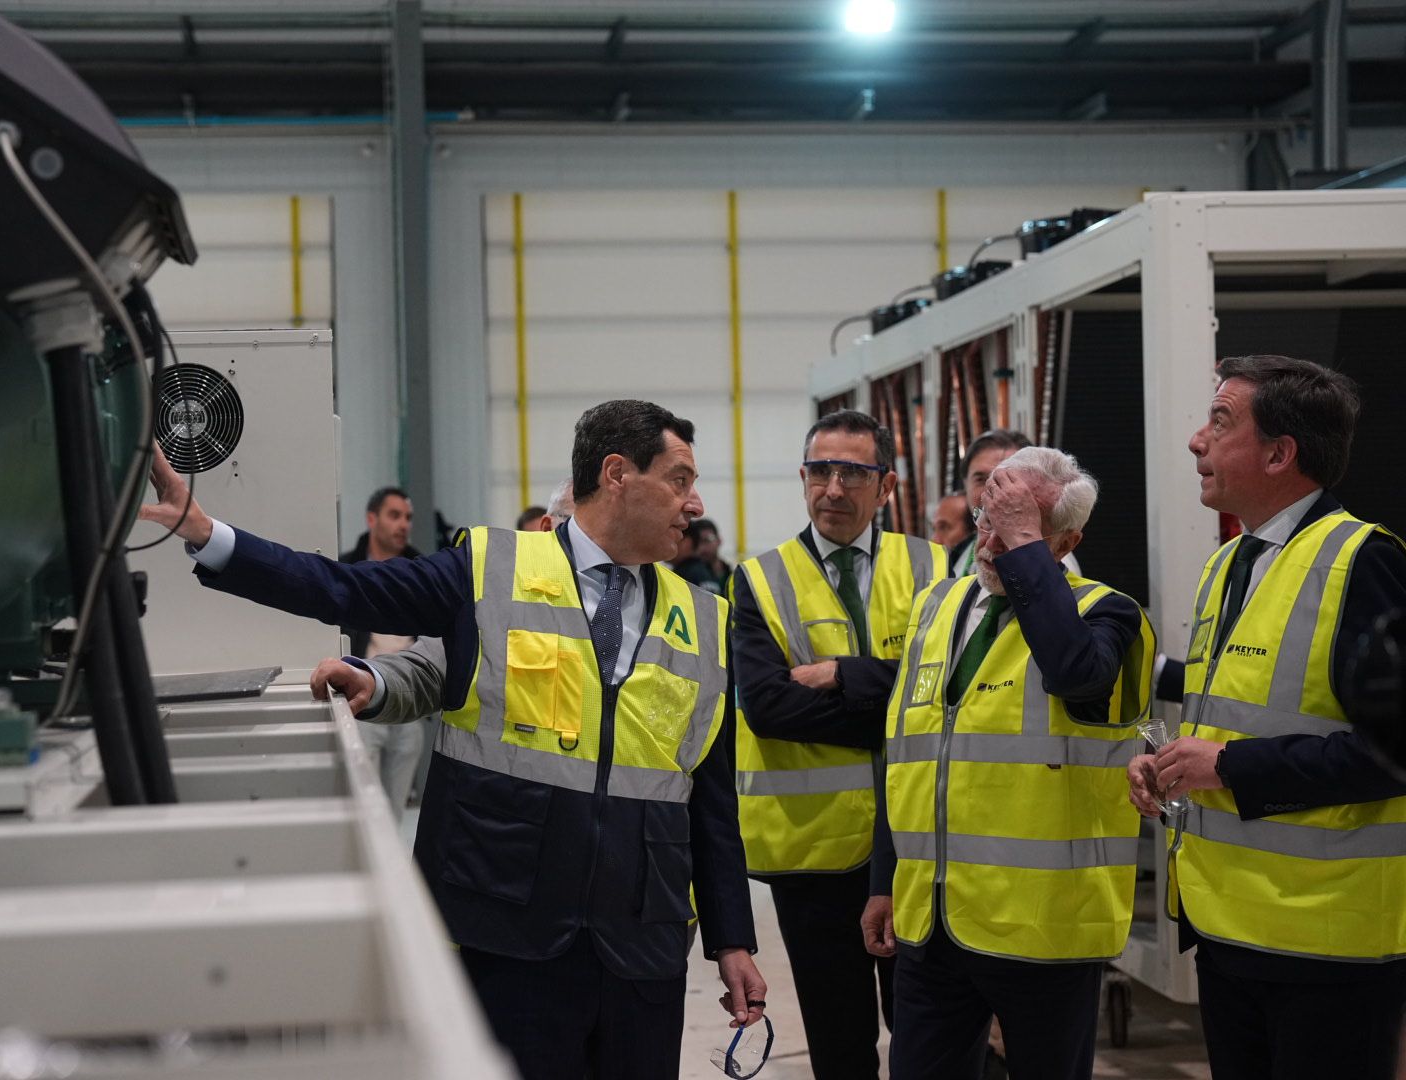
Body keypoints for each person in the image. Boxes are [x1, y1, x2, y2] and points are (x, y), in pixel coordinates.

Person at [140, 399, 766, 1080]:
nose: (695, 503)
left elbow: (708, 797)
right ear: (617, 473)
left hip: (643, 944)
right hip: (508, 933)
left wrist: (732, 939)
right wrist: (207, 533)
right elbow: (340, 588)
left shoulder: (705, 618)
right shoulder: (488, 569)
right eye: (679, 480)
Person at [1128, 354, 1406, 1080]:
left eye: (1221, 422)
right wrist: (1170, 762)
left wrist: (1227, 767)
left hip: (1328, 947)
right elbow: (1237, 714)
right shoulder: (1231, 564)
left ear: (1281, 454)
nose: (1197, 440)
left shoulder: (1362, 563)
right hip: (1229, 931)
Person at [866, 446, 1154, 1080]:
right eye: (989, 518)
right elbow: (908, 755)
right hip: (931, 922)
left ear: (1067, 539)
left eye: (1020, 526)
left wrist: (1026, 547)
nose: (993, 542)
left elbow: (1076, 673)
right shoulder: (935, 607)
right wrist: (885, 881)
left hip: (1044, 926)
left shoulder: (1107, 612)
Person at [732, 409, 945, 1079]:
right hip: (814, 855)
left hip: (918, 843)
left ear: (884, 486)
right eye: (820, 470)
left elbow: (948, 687)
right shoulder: (760, 579)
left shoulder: (931, 566)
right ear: (802, 478)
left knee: (930, 1036)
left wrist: (842, 676)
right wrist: (897, 705)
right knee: (841, 1042)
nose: (832, 487)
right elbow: (768, 706)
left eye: (852, 472)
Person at [336, 486, 429, 817]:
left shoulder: (423, 570)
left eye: (408, 518)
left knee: (396, 808)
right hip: (364, 694)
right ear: (371, 519)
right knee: (366, 803)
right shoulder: (347, 569)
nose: (403, 524)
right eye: (394, 516)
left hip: (409, 698)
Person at [948, 430, 1032, 577]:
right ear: (965, 485)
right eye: (980, 479)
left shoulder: (1047, 557)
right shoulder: (959, 552)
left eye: (1006, 478)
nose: (990, 490)